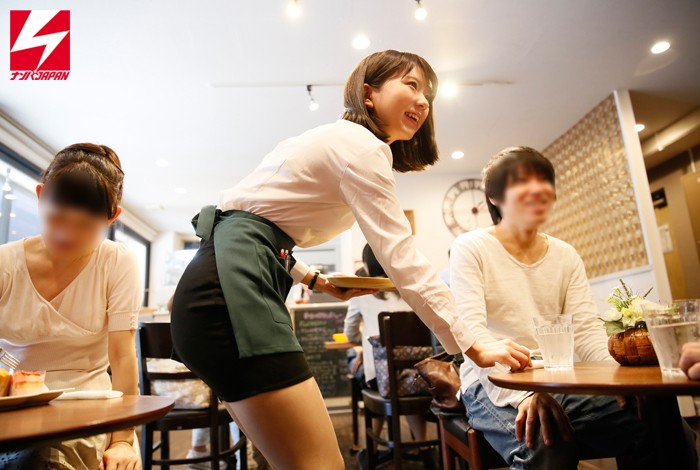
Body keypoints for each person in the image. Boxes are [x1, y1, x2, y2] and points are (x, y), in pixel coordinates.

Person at [170, 50, 531, 470]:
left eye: (428, 94)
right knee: (319, 464)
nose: (423, 100)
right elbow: (401, 257)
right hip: (229, 293)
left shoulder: (336, 141)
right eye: (411, 84)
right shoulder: (362, 148)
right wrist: (473, 342)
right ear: (368, 94)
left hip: (216, 286)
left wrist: (315, 280)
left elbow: (257, 224)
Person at [450, 146, 697, 469]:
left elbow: (586, 332)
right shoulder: (471, 247)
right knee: (547, 440)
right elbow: (473, 334)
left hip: (558, 379)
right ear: (494, 197)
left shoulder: (564, 254)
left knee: (665, 428)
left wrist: (622, 380)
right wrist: (524, 395)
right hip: (492, 384)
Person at [0, 144, 141, 469]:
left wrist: (122, 440)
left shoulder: (116, 262)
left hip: (87, 405)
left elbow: (122, 356)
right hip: (13, 404)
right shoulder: (6, 263)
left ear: (112, 217)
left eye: (85, 226)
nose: (67, 234)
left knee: (43, 459)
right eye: (57, 218)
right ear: (40, 196)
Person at [344, 244, 433, 468]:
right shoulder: (413, 289)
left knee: (371, 375)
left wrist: (363, 348)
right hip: (419, 377)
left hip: (382, 378)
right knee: (402, 383)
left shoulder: (361, 292)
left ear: (367, 265)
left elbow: (349, 333)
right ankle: (425, 450)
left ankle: (372, 451)